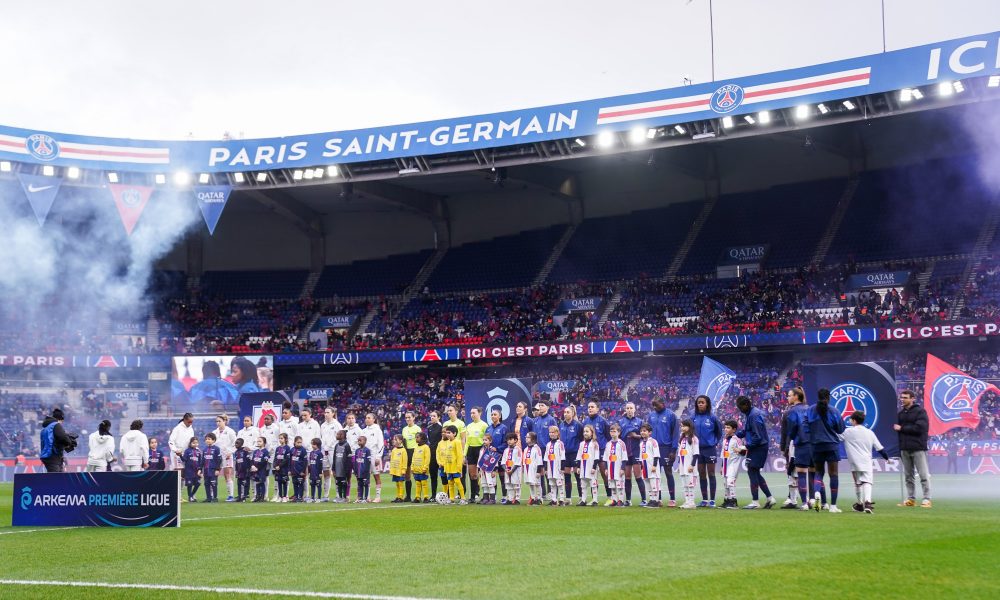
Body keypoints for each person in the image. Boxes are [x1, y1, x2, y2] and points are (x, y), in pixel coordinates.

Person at [807, 388, 846, 513]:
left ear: (818, 397)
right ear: (828, 397)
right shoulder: (834, 411)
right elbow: (840, 429)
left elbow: (805, 426)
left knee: (818, 472)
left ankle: (817, 492)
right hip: (831, 445)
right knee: (833, 474)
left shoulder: (810, 410)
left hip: (816, 445)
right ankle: (833, 506)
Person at [842, 411, 889, 514]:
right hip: (866, 461)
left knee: (858, 483)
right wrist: (887, 458)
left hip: (854, 462)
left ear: (853, 420)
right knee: (867, 482)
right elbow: (880, 448)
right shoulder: (870, 432)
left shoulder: (847, 432)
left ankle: (859, 504)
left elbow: (836, 437)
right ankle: (867, 503)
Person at [736, 395, 777, 510]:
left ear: (745, 405)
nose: (739, 409)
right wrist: (736, 435)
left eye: (740, 406)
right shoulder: (751, 414)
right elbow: (748, 431)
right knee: (755, 473)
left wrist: (745, 447)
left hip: (758, 447)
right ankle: (770, 498)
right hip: (758, 447)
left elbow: (757, 437)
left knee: (751, 472)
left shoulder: (754, 415)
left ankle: (755, 501)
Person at [894, 389, 931, 508]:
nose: (902, 399)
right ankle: (911, 499)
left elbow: (920, 428)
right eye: (901, 397)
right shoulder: (900, 414)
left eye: (905, 397)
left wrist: (902, 428)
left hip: (918, 447)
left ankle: (927, 499)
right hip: (905, 448)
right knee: (908, 476)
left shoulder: (920, 412)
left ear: (912, 398)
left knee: (923, 474)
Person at [782, 387, 813, 510]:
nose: (788, 398)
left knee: (799, 474)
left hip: (799, 444)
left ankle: (803, 503)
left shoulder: (791, 411)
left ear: (796, 396)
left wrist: (786, 446)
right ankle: (817, 502)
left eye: (789, 395)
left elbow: (790, 430)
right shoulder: (810, 409)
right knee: (814, 474)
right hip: (813, 444)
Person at [691, 395, 723, 508]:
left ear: (707, 404)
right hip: (698, 450)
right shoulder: (693, 417)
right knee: (702, 474)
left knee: (711, 473)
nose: (700, 404)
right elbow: (689, 431)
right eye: (699, 402)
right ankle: (704, 500)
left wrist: (714, 442)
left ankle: (712, 500)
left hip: (710, 449)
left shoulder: (713, 418)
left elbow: (719, 433)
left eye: (702, 402)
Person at [650, 398, 678, 507]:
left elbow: (675, 434)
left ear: (662, 403)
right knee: (656, 474)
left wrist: (673, 450)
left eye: (656, 405)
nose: (654, 407)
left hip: (666, 448)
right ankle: (658, 498)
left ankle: (672, 499)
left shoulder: (671, 415)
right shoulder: (651, 415)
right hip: (653, 449)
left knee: (668, 472)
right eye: (653, 405)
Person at [581, 401, 612, 501]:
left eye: (592, 407)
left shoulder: (603, 421)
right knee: (591, 475)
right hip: (590, 453)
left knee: (604, 474)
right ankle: (594, 499)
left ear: (597, 409)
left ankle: (610, 497)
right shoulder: (585, 421)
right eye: (589, 407)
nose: (590, 409)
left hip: (602, 451)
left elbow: (608, 437)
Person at [617, 402, 645, 506]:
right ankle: (628, 500)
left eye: (631, 408)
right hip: (625, 452)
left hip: (636, 451)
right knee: (627, 477)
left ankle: (644, 500)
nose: (629, 410)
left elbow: (644, 436)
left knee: (638, 476)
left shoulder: (640, 421)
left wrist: (635, 436)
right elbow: (617, 436)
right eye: (627, 408)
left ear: (634, 409)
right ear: (625, 409)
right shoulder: (620, 422)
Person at [530, 401, 557, 499]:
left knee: (547, 471)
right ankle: (543, 492)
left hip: (547, 449)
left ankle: (551, 492)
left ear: (548, 407)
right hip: (537, 449)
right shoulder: (535, 420)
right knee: (539, 471)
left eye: (542, 406)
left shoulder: (551, 420)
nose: (540, 407)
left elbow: (555, 434)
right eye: (539, 405)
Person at [559, 405, 583, 502]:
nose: (565, 414)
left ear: (573, 414)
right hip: (565, 454)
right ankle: (568, 498)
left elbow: (582, 440)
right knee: (567, 475)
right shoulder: (561, 425)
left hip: (575, 453)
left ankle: (582, 497)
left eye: (568, 412)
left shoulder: (578, 425)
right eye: (564, 412)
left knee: (578, 475)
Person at [40, 408, 75, 473]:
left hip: (48, 456)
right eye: (62, 421)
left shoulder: (46, 428)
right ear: (60, 419)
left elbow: (54, 440)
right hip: (53, 456)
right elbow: (63, 438)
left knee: (58, 477)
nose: (62, 423)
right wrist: (69, 442)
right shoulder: (56, 425)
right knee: (56, 478)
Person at [720, 420, 745, 509]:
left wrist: (740, 450)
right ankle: (727, 500)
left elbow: (744, 451)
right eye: (725, 427)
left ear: (734, 429)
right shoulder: (725, 439)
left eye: (728, 427)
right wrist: (722, 466)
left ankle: (734, 501)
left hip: (733, 464)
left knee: (730, 481)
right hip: (726, 464)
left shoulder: (737, 439)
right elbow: (723, 453)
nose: (726, 429)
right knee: (725, 483)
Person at [321, 407, 344, 502]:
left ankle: (339, 495)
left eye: (328, 412)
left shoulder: (337, 425)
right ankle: (326, 495)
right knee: (326, 472)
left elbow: (341, 438)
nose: (326, 414)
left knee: (336, 473)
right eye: (325, 412)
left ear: (333, 413)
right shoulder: (322, 425)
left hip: (334, 451)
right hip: (324, 451)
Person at [465, 406, 487, 503]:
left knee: (482, 474)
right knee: (472, 474)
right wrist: (464, 455)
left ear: (480, 413)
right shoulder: (469, 426)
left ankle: (485, 495)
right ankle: (473, 496)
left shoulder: (484, 425)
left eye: (474, 413)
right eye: (471, 413)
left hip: (480, 449)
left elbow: (486, 440)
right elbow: (467, 442)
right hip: (471, 450)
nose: (472, 415)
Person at [485, 408, 508, 499]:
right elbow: (485, 441)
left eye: (495, 414)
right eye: (492, 415)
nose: (493, 416)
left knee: (502, 477)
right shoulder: (488, 428)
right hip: (491, 456)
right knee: (492, 476)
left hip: (500, 455)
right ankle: (493, 497)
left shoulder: (504, 428)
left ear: (499, 416)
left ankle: (504, 497)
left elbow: (506, 442)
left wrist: (497, 448)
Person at [362, 413, 386, 502]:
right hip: (365, 457)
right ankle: (367, 496)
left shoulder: (377, 430)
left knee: (376, 476)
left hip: (374, 456)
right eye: (366, 418)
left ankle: (378, 496)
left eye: (369, 418)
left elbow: (381, 444)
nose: (367, 419)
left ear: (374, 420)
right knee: (366, 477)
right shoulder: (363, 431)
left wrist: (378, 457)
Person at [213, 415, 237, 502]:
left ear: (225, 421)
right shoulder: (214, 432)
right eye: (217, 421)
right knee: (213, 475)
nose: (218, 423)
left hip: (227, 456)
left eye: (219, 421)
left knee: (227, 475)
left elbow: (236, 444)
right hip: (217, 458)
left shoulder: (230, 431)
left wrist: (230, 452)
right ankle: (212, 495)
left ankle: (230, 496)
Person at [603, 423, 628, 507]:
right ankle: (614, 500)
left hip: (618, 468)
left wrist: (623, 468)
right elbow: (606, 457)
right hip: (610, 468)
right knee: (612, 485)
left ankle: (621, 500)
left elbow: (624, 457)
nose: (612, 433)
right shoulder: (608, 444)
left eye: (614, 431)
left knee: (620, 484)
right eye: (611, 431)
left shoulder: (621, 443)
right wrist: (606, 468)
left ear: (619, 432)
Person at [677, 419, 700, 509]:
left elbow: (696, 453)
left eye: (684, 426)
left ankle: (691, 502)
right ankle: (687, 501)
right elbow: (680, 453)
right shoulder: (682, 438)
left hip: (690, 466)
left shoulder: (694, 439)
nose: (682, 428)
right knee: (684, 485)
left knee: (690, 485)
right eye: (681, 426)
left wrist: (692, 465)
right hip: (682, 466)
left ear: (689, 427)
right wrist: (679, 465)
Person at [577, 424, 601, 506]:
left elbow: (597, 457)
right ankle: (583, 500)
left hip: (591, 468)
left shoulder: (595, 443)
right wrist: (578, 467)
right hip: (583, 468)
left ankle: (595, 500)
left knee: (593, 484)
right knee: (583, 484)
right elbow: (579, 456)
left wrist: (594, 467)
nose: (585, 433)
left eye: (587, 431)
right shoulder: (581, 444)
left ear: (592, 433)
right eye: (584, 431)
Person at [638, 424, 661, 507]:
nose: (642, 432)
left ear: (650, 432)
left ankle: (656, 500)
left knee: (654, 483)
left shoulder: (653, 442)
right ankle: (651, 499)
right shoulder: (641, 443)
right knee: (648, 484)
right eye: (641, 431)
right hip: (645, 467)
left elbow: (656, 454)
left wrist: (654, 465)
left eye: (644, 431)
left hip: (652, 467)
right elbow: (641, 456)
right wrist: (641, 467)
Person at [544, 425, 567, 506]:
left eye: (553, 432)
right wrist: (546, 468)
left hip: (558, 467)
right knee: (552, 484)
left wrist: (562, 467)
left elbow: (563, 455)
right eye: (550, 432)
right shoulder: (548, 444)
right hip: (550, 468)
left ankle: (561, 500)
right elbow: (546, 457)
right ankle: (554, 500)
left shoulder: (560, 444)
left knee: (560, 483)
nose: (551, 434)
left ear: (557, 433)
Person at [401, 411, 421, 502]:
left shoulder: (417, 429)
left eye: (409, 417)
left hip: (415, 451)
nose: (408, 419)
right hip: (406, 452)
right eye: (406, 417)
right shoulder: (404, 429)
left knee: (417, 474)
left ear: (414, 418)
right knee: (407, 475)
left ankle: (418, 496)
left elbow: (421, 441)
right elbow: (403, 441)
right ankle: (408, 496)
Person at [477, 434, 501, 504]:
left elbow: (495, 460)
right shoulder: (481, 450)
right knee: (484, 484)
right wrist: (479, 470)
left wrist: (494, 470)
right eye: (483, 440)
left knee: (491, 484)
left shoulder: (492, 449)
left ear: (490, 441)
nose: (484, 441)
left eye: (486, 440)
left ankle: (492, 499)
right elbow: (479, 460)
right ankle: (485, 498)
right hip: (482, 469)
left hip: (490, 469)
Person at [522, 430, 543, 505]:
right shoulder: (525, 449)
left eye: (528, 437)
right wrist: (524, 469)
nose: (526, 438)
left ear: (533, 439)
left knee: (537, 484)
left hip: (534, 469)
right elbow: (524, 461)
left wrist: (538, 471)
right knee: (530, 483)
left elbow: (539, 460)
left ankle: (539, 499)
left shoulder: (537, 448)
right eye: (526, 437)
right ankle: (533, 498)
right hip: (528, 469)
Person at [332, 429, 353, 502]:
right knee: (338, 483)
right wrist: (333, 468)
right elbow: (334, 457)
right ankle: (339, 497)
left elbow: (349, 458)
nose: (337, 435)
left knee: (344, 483)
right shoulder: (336, 445)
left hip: (344, 468)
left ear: (342, 436)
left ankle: (344, 497)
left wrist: (347, 469)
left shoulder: (346, 445)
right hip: (337, 468)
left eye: (338, 434)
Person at [411, 432, 432, 503]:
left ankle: (426, 497)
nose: (416, 438)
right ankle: (417, 497)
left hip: (423, 469)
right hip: (416, 469)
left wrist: (425, 468)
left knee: (424, 483)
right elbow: (413, 458)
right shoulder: (416, 447)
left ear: (422, 438)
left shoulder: (426, 447)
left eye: (417, 437)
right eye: (416, 437)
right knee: (417, 484)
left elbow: (427, 458)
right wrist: (412, 467)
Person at [426, 410, 443, 499]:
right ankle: (433, 495)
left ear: (438, 417)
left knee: (444, 475)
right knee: (433, 475)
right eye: (431, 416)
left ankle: (447, 494)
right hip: (432, 453)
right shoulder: (429, 427)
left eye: (434, 416)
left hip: (440, 453)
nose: (432, 417)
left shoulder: (441, 428)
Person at [202, 432, 222, 503]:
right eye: (206, 439)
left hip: (213, 470)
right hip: (206, 470)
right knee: (206, 484)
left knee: (213, 483)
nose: (207, 440)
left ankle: (215, 497)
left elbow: (219, 460)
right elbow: (203, 460)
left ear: (213, 440)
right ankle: (208, 498)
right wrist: (200, 469)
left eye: (209, 439)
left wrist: (217, 469)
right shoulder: (204, 449)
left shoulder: (217, 449)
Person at [250, 436, 270, 502]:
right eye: (258, 441)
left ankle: (262, 497)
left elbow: (264, 461)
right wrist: (252, 466)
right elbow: (252, 459)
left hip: (262, 470)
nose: (258, 443)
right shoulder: (255, 451)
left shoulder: (266, 451)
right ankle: (257, 496)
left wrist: (257, 467)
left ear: (264, 443)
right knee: (257, 482)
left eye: (260, 441)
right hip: (255, 470)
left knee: (261, 482)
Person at [182, 437, 203, 502]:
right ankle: (190, 497)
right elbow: (184, 459)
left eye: (196, 443)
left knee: (198, 483)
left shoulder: (198, 451)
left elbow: (200, 462)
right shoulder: (187, 451)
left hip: (196, 471)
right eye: (193, 443)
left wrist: (200, 470)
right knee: (189, 485)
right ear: (190, 443)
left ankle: (192, 495)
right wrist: (180, 455)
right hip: (189, 471)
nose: (195, 444)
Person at [272, 433, 291, 502]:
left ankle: (285, 496)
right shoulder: (277, 448)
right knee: (279, 482)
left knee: (284, 482)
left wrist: (279, 466)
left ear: (285, 439)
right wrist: (275, 466)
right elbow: (275, 458)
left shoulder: (287, 448)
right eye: (279, 438)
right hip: (278, 469)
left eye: (282, 438)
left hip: (284, 468)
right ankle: (280, 496)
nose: (280, 440)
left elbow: (286, 459)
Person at [388, 434, 408, 503]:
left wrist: (404, 470)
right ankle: (397, 496)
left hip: (400, 471)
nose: (394, 441)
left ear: (401, 441)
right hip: (395, 470)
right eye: (394, 439)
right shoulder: (394, 450)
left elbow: (405, 461)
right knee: (397, 484)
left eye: (396, 439)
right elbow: (392, 460)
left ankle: (401, 497)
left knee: (400, 483)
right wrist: (391, 470)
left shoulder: (403, 450)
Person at [354, 435, 372, 503]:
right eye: (358, 440)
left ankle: (366, 498)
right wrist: (355, 471)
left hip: (365, 472)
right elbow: (356, 461)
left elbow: (368, 462)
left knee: (366, 484)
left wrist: (367, 471)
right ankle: (360, 498)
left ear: (365, 441)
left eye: (360, 440)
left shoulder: (367, 450)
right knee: (360, 485)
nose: (359, 442)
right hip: (358, 472)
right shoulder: (357, 450)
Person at [290, 435, 308, 502]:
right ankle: (296, 496)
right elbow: (290, 460)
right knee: (295, 484)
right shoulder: (292, 450)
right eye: (298, 442)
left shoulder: (303, 450)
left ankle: (300, 497)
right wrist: (290, 470)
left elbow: (305, 461)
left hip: (300, 471)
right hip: (293, 471)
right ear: (294, 442)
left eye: (300, 442)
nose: (299, 444)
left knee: (300, 484)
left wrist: (303, 471)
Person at [308, 437, 324, 503]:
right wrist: (309, 471)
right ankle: (312, 498)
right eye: (312, 444)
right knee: (312, 485)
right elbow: (309, 463)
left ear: (317, 445)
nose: (312, 446)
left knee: (318, 485)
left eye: (314, 444)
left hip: (317, 472)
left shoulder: (320, 453)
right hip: (312, 472)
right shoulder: (311, 453)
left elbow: (320, 463)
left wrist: (320, 472)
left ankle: (319, 498)